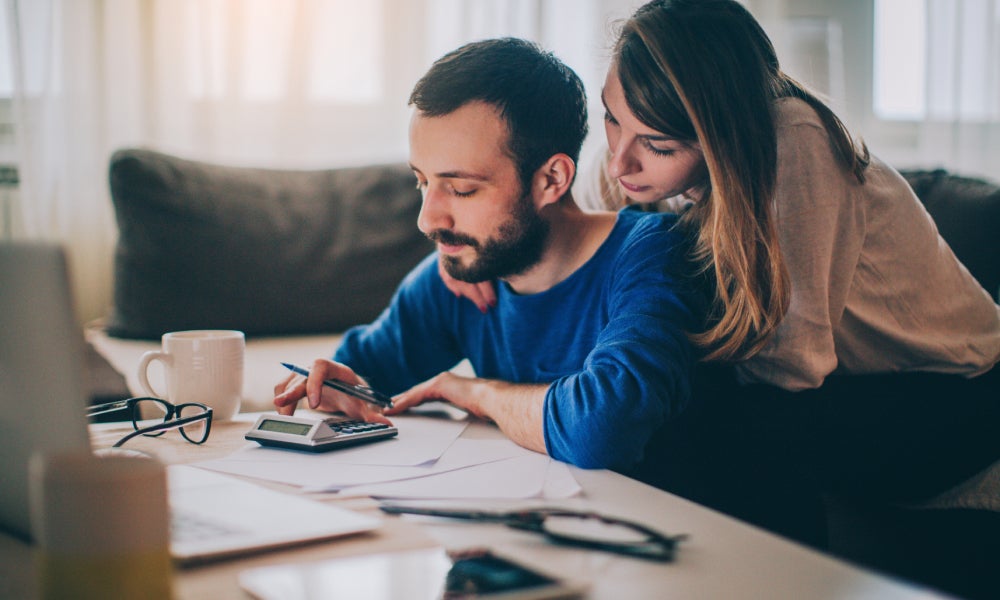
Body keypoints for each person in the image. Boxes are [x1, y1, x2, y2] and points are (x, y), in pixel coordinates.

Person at [442, 0, 1000, 548]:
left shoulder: (794, 143)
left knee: (697, 418)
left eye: (657, 146)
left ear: (720, 135)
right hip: (840, 385)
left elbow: (791, 366)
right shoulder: (636, 148)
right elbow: (562, 215)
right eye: (613, 119)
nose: (620, 162)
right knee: (645, 399)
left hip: (952, 388)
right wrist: (469, 249)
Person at [273, 37, 705, 476]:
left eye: (461, 189)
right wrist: (333, 385)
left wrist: (475, 393)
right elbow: (362, 373)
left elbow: (602, 431)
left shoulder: (654, 255)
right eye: (422, 182)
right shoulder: (463, 273)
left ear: (551, 179)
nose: (427, 220)